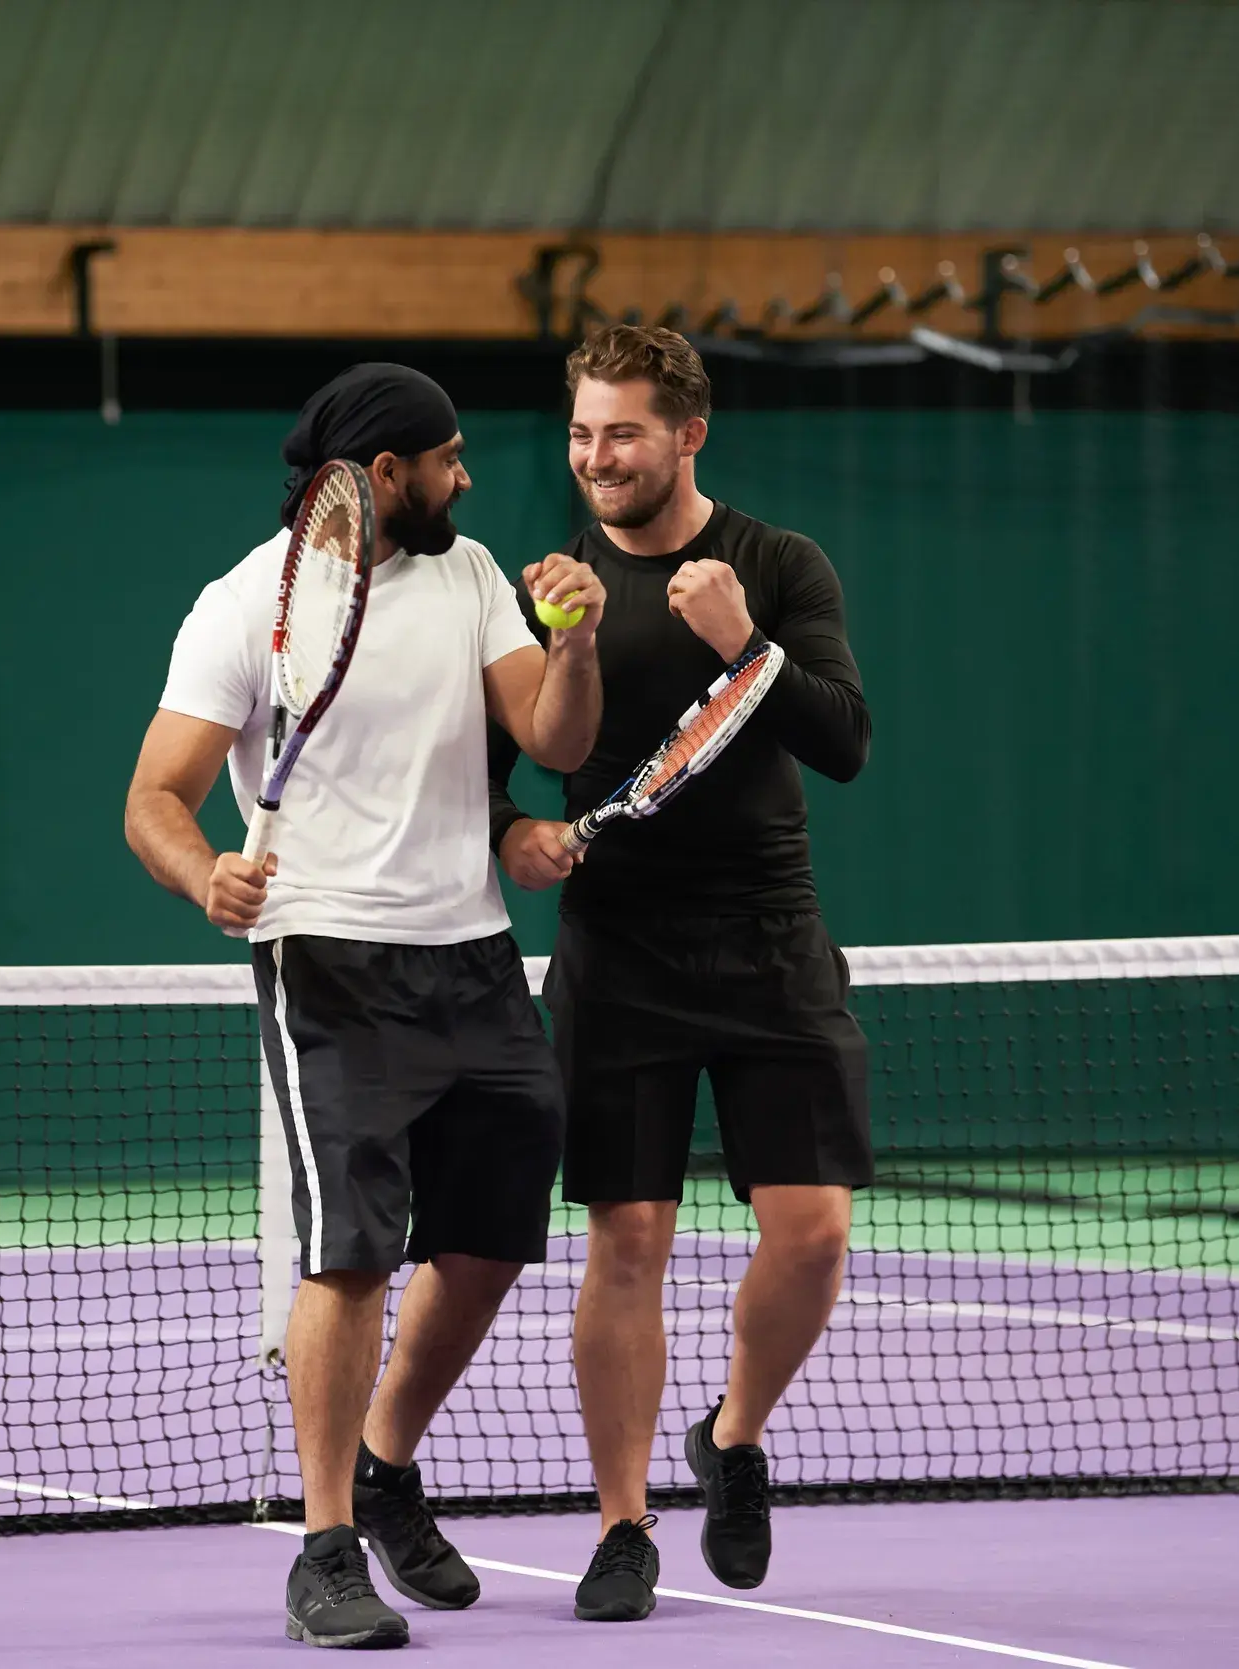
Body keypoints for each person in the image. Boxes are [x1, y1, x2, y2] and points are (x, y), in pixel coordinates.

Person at [126, 364, 603, 1650]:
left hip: (476, 957)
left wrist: (580, 640)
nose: (466, 476)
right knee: (348, 1251)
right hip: (327, 962)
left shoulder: (472, 574)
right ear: (382, 476)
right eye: (446, 458)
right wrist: (201, 872)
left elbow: (553, 742)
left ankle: (389, 1459)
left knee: (494, 1240)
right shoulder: (243, 605)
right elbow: (154, 798)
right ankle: (326, 1544)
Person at [488, 326, 872, 1622]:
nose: (597, 457)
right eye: (583, 433)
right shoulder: (553, 587)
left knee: (814, 1233)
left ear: (688, 434)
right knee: (629, 1239)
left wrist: (744, 641)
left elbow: (847, 742)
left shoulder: (776, 565)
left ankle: (736, 1433)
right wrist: (517, 835)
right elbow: (514, 764)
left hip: (770, 937)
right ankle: (620, 1522)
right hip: (620, 953)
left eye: (625, 434)